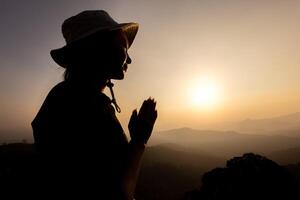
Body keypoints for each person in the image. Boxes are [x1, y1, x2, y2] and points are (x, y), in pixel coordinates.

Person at [31, 10, 157, 199]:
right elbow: (120, 192)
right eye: (124, 47)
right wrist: (139, 142)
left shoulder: (62, 97)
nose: (129, 59)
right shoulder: (87, 105)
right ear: (98, 50)